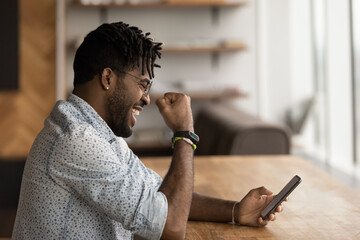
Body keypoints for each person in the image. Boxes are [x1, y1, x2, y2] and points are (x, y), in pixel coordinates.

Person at [12, 22, 284, 240]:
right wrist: (184, 133)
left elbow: (160, 200)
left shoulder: (99, 134)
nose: (146, 98)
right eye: (143, 84)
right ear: (108, 78)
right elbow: (170, 227)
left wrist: (236, 211)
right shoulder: (76, 139)